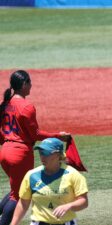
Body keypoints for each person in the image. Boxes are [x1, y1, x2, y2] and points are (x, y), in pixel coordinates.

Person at [0, 70, 70, 225]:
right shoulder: (26, 107)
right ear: (24, 84)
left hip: (5, 152)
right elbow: (36, 134)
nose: (31, 85)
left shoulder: (5, 104)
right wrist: (59, 136)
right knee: (19, 196)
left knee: (17, 190)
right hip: (20, 154)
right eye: (29, 82)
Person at [10, 138, 88, 225]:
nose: (42, 156)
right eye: (40, 152)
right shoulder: (31, 175)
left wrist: (69, 206)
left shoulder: (73, 174)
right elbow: (23, 204)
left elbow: (83, 201)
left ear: (58, 155)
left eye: (46, 153)